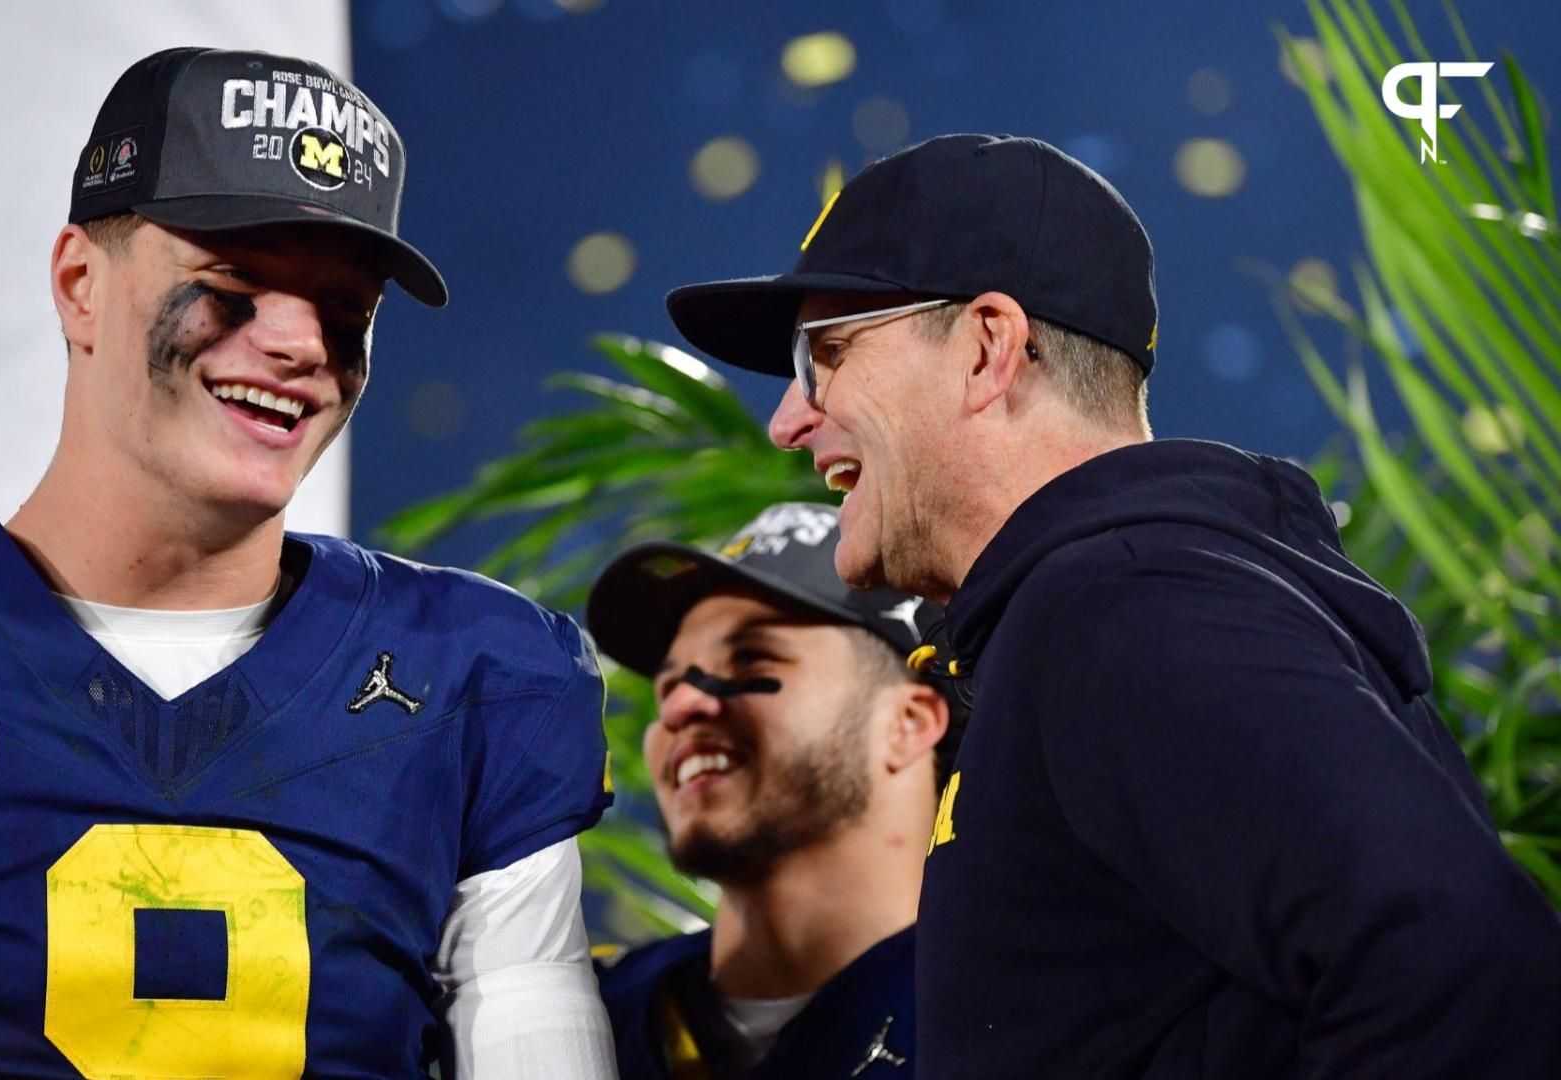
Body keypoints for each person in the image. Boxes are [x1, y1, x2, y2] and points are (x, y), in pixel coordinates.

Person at [0, 49, 617, 1079]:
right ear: (79, 286)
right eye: (235, 281)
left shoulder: (480, 673)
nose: (299, 342)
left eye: (346, 308)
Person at [659, 133, 1561, 1075]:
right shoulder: (1108, 608)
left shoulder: (1118, 610)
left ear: (986, 348)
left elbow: (1465, 959)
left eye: (826, 354)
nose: (786, 421)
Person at [583, 502, 965, 1078]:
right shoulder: (574, 1018)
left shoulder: (1039, 1021)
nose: (681, 706)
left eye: (750, 658)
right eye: (670, 684)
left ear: (907, 722)